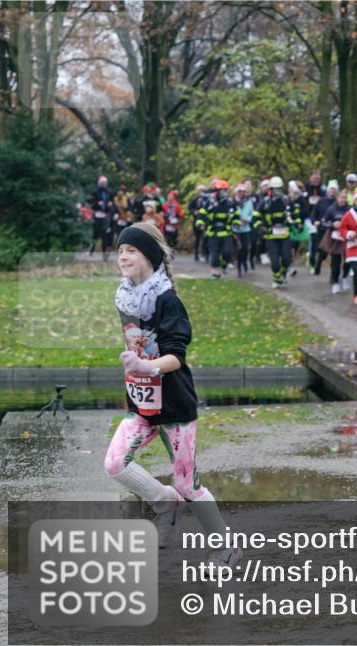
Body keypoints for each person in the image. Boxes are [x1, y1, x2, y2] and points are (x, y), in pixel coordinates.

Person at [105, 222, 241, 568]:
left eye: (131, 250)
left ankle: (225, 546)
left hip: (175, 404)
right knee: (115, 463)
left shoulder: (167, 300)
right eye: (120, 250)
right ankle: (165, 503)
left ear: (149, 255)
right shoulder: (125, 296)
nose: (123, 256)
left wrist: (145, 365)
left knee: (188, 483)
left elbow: (176, 356)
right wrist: (136, 365)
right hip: (140, 402)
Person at [254, 176, 301, 288]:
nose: (277, 192)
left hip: (284, 235)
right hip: (271, 236)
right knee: (274, 262)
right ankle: (276, 278)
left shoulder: (286, 201)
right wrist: (260, 227)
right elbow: (255, 217)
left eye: (279, 189)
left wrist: (297, 223)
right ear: (270, 189)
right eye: (274, 189)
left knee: (286, 258)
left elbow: (295, 213)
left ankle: (283, 273)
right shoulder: (265, 203)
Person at [196, 180, 237, 279]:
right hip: (213, 233)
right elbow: (202, 214)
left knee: (227, 253)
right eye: (221, 190)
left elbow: (236, 215)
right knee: (214, 255)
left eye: (225, 190)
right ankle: (215, 273)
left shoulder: (230, 202)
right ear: (216, 191)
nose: (223, 192)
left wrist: (236, 223)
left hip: (226, 232)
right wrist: (200, 224)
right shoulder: (210, 202)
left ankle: (224, 265)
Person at [320, 189, 350, 293]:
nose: (343, 200)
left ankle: (345, 277)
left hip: (347, 238)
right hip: (335, 238)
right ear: (337, 198)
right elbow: (323, 222)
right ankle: (336, 282)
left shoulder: (350, 209)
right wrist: (332, 225)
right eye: (341, 198)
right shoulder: (331, 209)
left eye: (345, 198)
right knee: (335, 261)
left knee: (348, 260)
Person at [89, 175, 117, 260]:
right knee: (95, 234)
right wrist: (97, 203)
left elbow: (113, 203)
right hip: (97, 215)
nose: (104, 184)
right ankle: (92, 250)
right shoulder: (94, 192)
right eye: (102, 182)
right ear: (99, 183)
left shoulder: (109, 192)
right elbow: (91, 203)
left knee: (105, 235)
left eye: (105, 182)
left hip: (106, 216)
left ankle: (105, 255)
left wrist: (111, 206)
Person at [233, 184, 255, 277]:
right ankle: (239, 269)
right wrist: (237, 221)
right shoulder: (232, 202)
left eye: (243, 192)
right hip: (236, 229)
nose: (241, 193)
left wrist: (247, 220)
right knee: (239, 249)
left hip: (246, 229)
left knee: (246, 248)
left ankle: (244, 262)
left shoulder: (249, 202)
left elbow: (252, 213)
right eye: (239, 192)